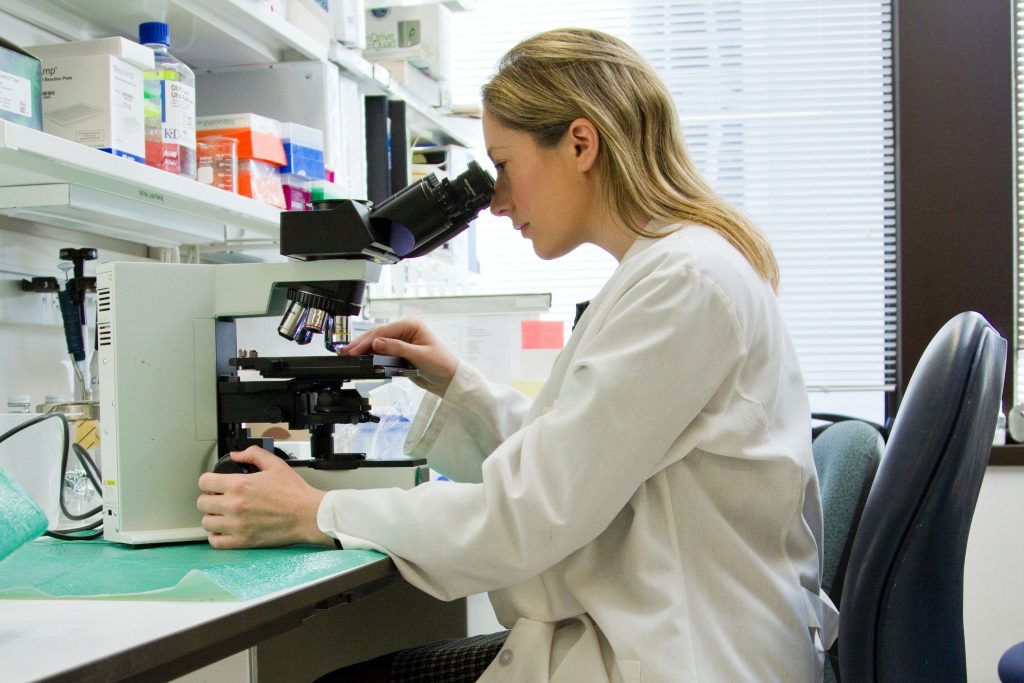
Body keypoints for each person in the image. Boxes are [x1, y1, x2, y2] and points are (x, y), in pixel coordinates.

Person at [197, 27, 837, 682]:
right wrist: (459, 385)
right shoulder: (674, 270)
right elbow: (581, 461)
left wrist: (318, 512)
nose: (497, 202)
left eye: (503, 167)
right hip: (664, 631)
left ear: (581, 143)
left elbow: (527, 513)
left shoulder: (682, 283)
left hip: (684, 657)